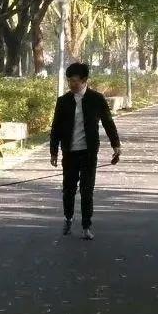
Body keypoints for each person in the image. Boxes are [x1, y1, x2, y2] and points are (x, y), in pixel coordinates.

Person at [49, 62, 121, 239]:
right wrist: (54, 152)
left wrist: (116, 145)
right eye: (69, 81)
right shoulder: (63, 101)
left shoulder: (97, 99)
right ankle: (68, 217)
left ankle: (86, 226)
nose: (72, 85)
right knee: (69, 188)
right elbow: (55, 127)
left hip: (88, 152)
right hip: (69, 152)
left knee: (87, 189)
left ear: (84, 80)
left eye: (75, 81)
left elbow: (108, 123)